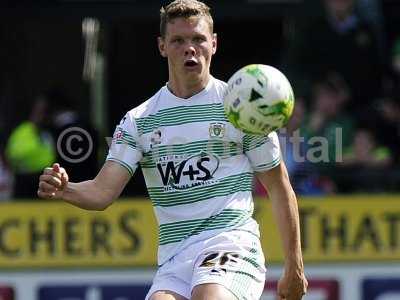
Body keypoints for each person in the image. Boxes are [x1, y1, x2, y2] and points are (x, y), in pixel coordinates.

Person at [38, 1, 307, 299]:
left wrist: (294, 265)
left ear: (214, 44)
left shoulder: (240, 109)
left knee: (210, 295)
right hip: (176, 259)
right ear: (162, 46)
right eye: (178, 41)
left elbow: (280, 188)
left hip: (231, 244)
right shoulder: (139, 121)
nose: (189, 49)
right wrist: (65, 190)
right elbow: (102, 193)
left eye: (198, 39)